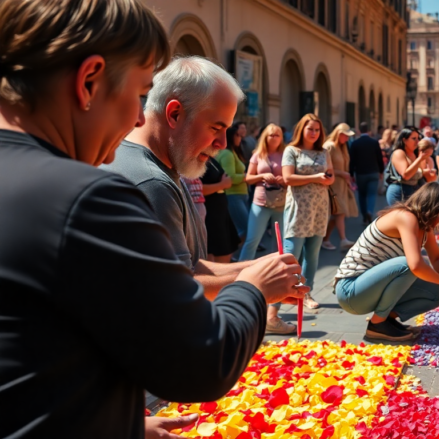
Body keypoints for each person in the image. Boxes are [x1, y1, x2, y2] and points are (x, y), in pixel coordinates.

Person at [0, 1, 309, 437]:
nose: (135, 116)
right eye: (138, 94)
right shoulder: (86, 196)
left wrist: (118, 422)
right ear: (89, 81)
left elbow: (33, 364)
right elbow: (200, 362)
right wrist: (252, 289)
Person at [103, 56, 268, 296]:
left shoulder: (159, 167)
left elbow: (190, 266)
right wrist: (258, 284)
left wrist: (260, 267)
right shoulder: (151, 181)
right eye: (216, 128)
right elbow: (178, 290)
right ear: (175, 114)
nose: (222, 143)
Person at [335, 183, 439, 341]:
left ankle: (386, 320)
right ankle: (377, 325)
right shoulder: (406, 217)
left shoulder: (424, 226)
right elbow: (415, 265)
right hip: (350, 291)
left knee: (437, 293)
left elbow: (437, 258)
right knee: (410, 265)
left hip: (367, 290)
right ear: (435, 209)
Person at [239, 124, 295, 334]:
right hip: (261, 203)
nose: (274, 137)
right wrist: (263, 177)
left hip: (281, 203)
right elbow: (248, 177)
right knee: (252, 241)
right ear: (265, 136)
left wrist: (283, 180)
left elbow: (291, 178)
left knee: (278, 246)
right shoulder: (257, 154)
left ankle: (275, 281)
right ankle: (241, 277)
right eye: (271, 134)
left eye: (278, 134)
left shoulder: (285, 154)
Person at [283, 114, 334, 310]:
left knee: (312, 255)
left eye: (317, 130)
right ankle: (284, 292)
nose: (313, 133)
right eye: (310, 129)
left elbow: (331, 177)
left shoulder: (324, 151)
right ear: (301, 130)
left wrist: (327, 179)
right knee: (291, 254)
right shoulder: (292, 150)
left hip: (319, 208)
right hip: (298, 208)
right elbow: (287, 178)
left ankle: (306, 293)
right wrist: (315, 178)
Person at [323, 123, 359, 250]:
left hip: (342, 184)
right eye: (346, 135)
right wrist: (342, 173)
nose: (348, 138)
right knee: (340, 212)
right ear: (339, 134)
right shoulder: (329, 147)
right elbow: (325, 167)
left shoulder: (342, 147)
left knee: (338, 213)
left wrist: (347, 178)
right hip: (332, 185)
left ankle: (325, 239)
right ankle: (343, 239)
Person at [350, 121, 384, 224]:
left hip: (360, 173)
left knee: (362, 195)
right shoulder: (374, 142)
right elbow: (380, 158)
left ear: (359, 131)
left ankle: (364, 215)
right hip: (373, 172)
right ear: (369, 131)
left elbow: (352, 160)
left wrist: (351, 174)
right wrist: (381, 171)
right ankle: (370, 211)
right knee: (372, 194)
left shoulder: (355, 143)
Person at [387, 127, 428, 205]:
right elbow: (406, 175)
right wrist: (420, 159)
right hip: (400, 192)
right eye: (414, 139)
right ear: (404, 140)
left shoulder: (416, 154)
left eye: (418, 138)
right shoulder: (399, 153)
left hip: (414, 191)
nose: (417, 142)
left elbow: (422, 174)